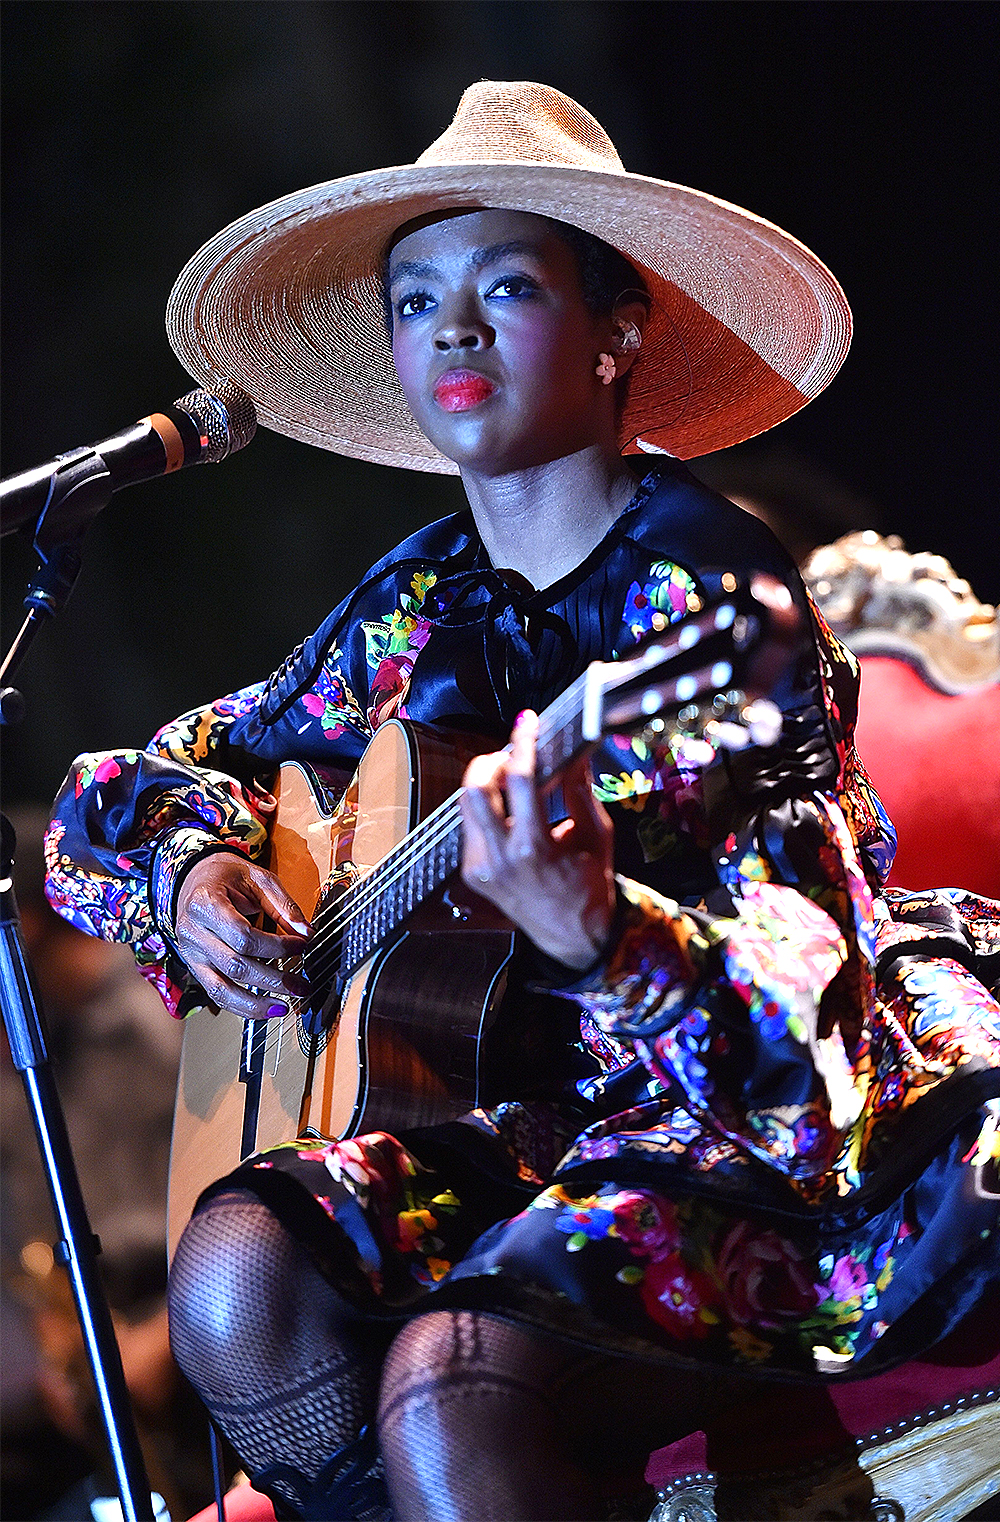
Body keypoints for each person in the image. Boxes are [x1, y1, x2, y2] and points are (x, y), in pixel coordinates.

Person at [42, 82, 999, 1522]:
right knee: (238, 1270)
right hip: (518, 1133)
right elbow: (127, 787)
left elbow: (810, 1038)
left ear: (617, 333)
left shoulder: (706, 593)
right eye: (417, 299)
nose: (455, 327)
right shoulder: (418, 597)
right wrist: (190, 873)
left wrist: (602, 931)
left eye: (507, 285)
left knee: (450, 1376)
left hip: (734, 1129)